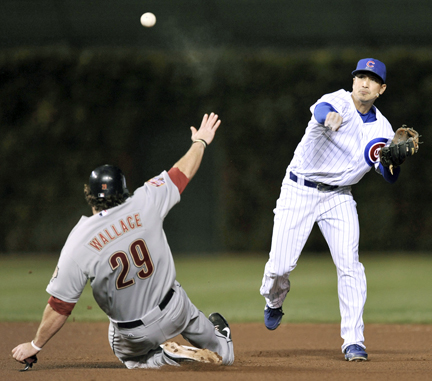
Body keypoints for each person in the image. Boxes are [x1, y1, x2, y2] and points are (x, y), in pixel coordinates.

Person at [12, 112, 234, 370]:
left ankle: (164, 359)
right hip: (175, 309)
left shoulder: (78, 240)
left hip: (133, 333)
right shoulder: (146, 199)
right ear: (124, 190)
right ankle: (218, 342)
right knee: (224, 355)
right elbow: (181, 172)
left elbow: (60, 305)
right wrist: (201, 142)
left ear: (90, 196)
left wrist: (35, 345)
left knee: (131, 358)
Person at [260, 58, 399, 361]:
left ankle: (354, 341)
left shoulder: (383, 129)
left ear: (381, 88)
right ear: (353, 81)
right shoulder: (336, 101)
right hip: (299, 189)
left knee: (350, 265)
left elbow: (387, 174)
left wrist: (394, 163)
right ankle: (274, 300)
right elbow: (322, 111)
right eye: (360, 76)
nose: (364, 82)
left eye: (372, 79)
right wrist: (329, 118)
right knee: (279, 267)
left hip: (339, 198)